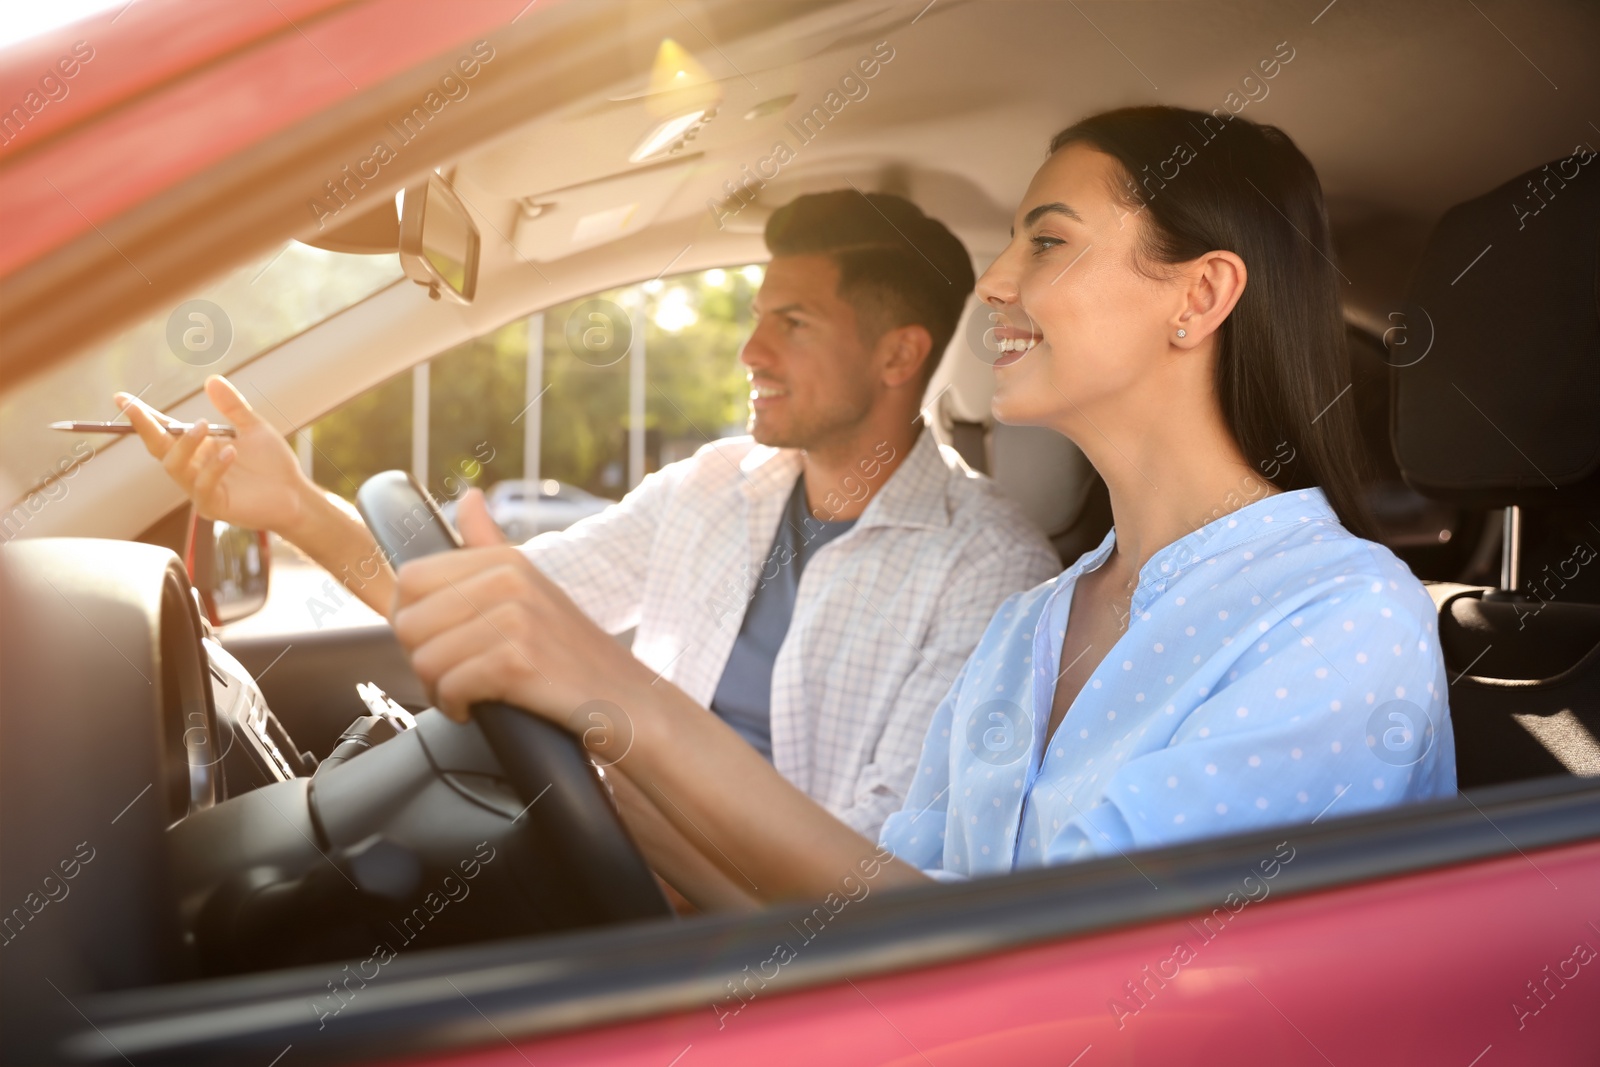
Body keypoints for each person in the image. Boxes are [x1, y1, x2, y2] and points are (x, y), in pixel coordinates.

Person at [387, 106, 1457, 907]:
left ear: (1199, 295)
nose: (995, 281)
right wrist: (592, 745)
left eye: (1044, 240)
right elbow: (856, 913)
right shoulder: (1033, 624)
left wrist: (612, 688)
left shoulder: (1341, 621)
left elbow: (1053, 978)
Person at [116, 191, 1062, 856]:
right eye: (757, 314)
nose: (750, 348)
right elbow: (492, 603)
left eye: (795, 322)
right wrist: (293, 507)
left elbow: (873, 869)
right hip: (600, 849)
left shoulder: (987, 570)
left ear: (899, 356)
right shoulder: (713, 485)